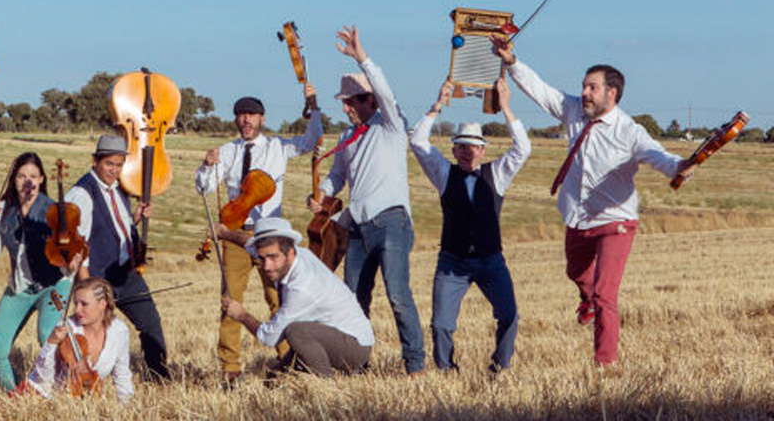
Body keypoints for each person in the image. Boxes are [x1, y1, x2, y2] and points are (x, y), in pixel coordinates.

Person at [491, 37, 694, 365]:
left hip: (616, 221)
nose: (584, 93)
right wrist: (511, 62)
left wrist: (680, 166)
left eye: (592, 88)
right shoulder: (573, 110)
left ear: (611, 94)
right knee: (575, 272)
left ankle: (605, 365)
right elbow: (540, 89)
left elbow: (657, 155)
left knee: (605, 294)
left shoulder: (630, 131)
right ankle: (587, 300)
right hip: (577, 216)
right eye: (584, 87)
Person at [310, 25, 425, 374]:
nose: (346, 109)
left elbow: (386, 92)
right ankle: (354, 366)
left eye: (351, 102)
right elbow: (338, 176)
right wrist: (325, 195)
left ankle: (415, 366)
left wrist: (362, 58)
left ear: (368, 100)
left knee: (398, 297)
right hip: (357, 227)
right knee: (353, 300)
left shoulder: (390, 125)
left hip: (391, 221)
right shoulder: (348, 136)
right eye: (344, 103)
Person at [196, 89, 321, 381]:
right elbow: (205, 188)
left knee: (278, 299)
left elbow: (311, 140)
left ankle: (290, 360)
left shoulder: (278, 146)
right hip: (235, 233)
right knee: (229, 299)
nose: (245, 120)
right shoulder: (227, 151)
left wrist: (314, 108)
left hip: (270, 235)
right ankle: (230, 369)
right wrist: (207, 165)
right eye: (241, 115)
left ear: (262, 118)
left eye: (251, 114)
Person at [410, 78, 530, 373]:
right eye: (462, 147)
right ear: (454, 151)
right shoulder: (442, 173)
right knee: (440, 325)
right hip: (452, 263)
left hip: (491, 260)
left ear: (483, 151)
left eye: (474, 147)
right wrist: (437, 106)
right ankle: (446, 371)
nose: (467, 152)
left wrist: (506, 109)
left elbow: (523, 147)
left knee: (510, 315)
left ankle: (500, 366)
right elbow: (417, 141)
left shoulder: (498, 173)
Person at [64, 134, 169, 380]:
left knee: (151, 324)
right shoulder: (81, 194)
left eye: (119, 164)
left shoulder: (118, 188)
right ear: (96, 160)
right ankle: (86, 381)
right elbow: (80, 245)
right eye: (109, 164)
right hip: (98, 278)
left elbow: (112, 227)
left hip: (125, 273)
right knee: (94, 333)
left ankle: (160, 377)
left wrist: (135, 219)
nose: (114, 170)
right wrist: (88, 286)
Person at [222, 217, 374, 378]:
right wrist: (224, 233)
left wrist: (241, 315)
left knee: (296, 331)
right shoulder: (293, 253)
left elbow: (269, 337)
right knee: (274, 379)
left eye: (273, 258)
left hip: (355, 346)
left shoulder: (302, 286)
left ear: (290, 253)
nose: (266, 266)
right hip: (328, 336)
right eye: (262, 258)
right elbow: (248, 243)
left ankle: (326, 386)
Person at [0, 152, 73, 390]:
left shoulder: (53, 210)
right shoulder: (3, 210)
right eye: (21, 176)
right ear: (14, 179)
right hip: (20, 287)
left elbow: (70, 251)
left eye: (33, 176)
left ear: (42, 179)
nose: (27, 181)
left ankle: (58, 391)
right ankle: (15, 395)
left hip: (55, 284)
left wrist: (70, 256)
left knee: (47, 336)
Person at [23, 277, 134, 401]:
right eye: (76, 303)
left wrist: (125, 406)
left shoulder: (119, 331)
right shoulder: (67, 328)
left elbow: (122, 375)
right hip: (43, 396)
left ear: (102, 304)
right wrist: (52, 342)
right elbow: (43, 378)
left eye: (84, 304)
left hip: (81, 400)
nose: (77, 310)